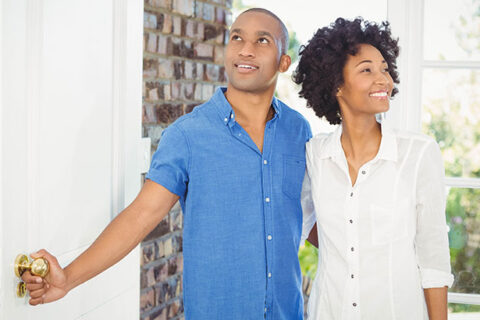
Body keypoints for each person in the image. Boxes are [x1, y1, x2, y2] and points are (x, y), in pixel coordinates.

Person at [21, 8, 312, 319]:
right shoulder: (188, 135)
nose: (245, 49)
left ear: (284, 61)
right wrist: (68, 277)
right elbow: (140, 216)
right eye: (237, 37)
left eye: (262, 40)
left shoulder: (299, 131)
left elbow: (320, 216)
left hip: (288, 312)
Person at [294, 17, 453, 320]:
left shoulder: (418, 154)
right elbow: (300, 223)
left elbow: (433, 259)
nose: (383, 79)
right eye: (367, 70)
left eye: (384, 69)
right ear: (336, 83)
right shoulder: (315, 155)